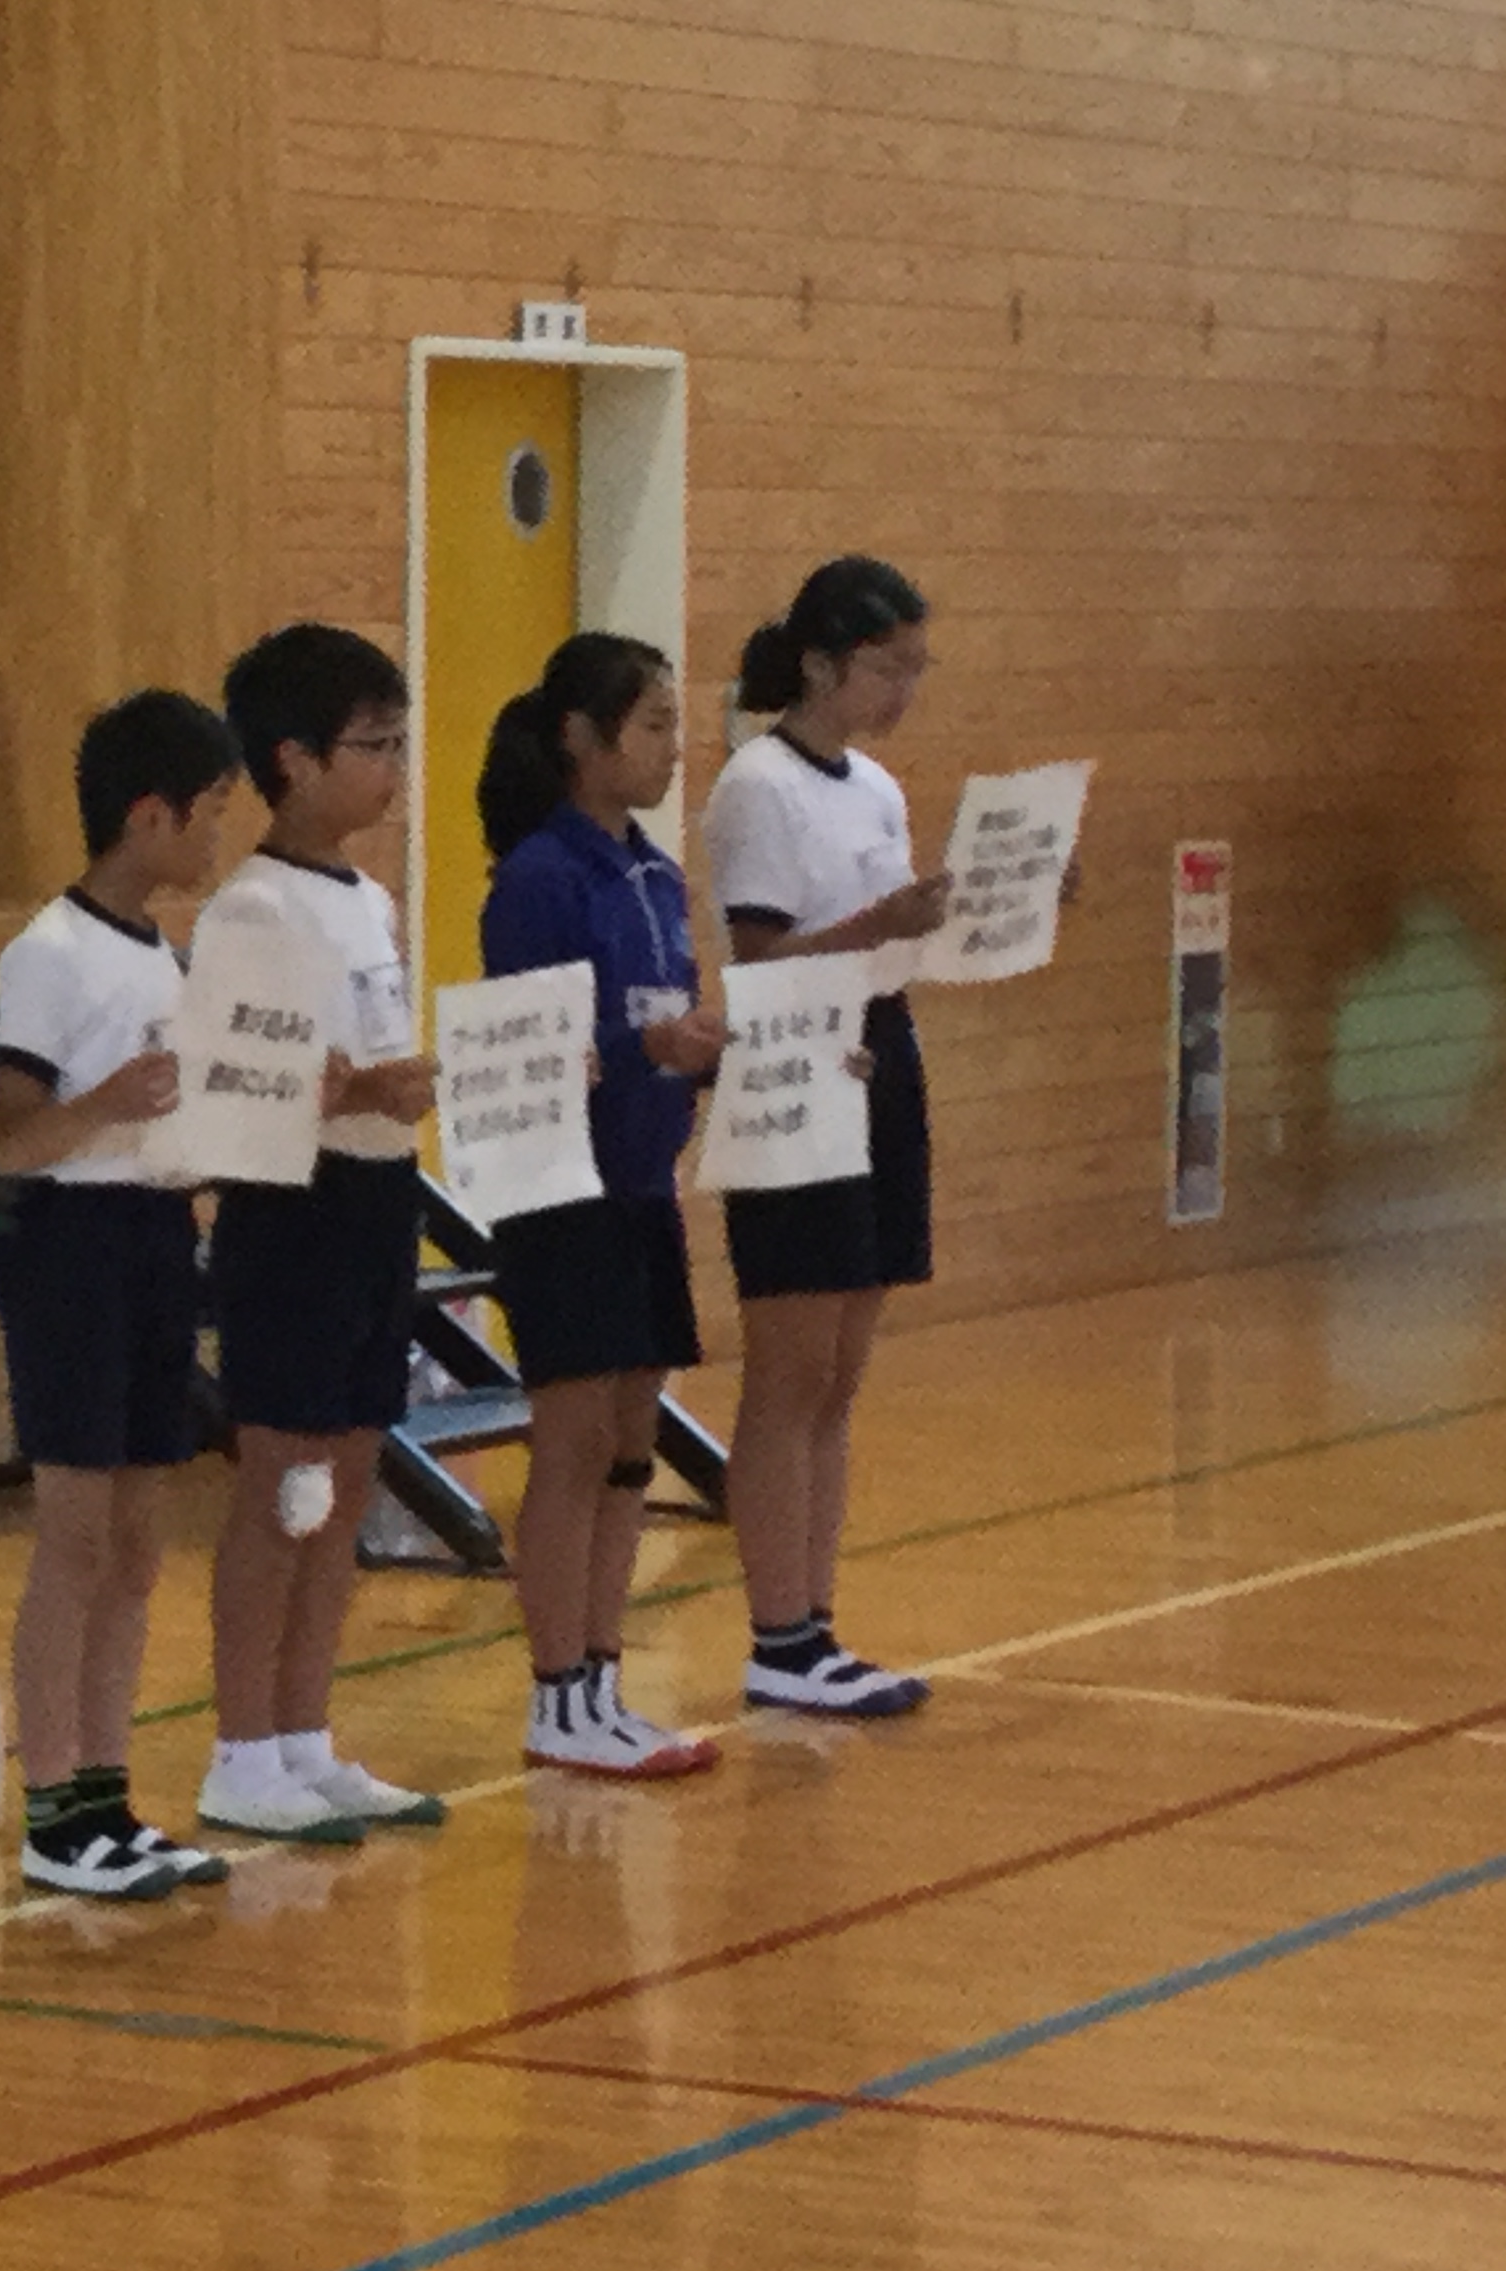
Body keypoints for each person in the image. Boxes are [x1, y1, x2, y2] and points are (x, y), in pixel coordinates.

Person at [0, 690, 238, 1898]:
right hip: (70, 1246)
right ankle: (50, 1809)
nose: (220, 834)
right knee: (77, 1534)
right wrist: (109, 1104)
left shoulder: (164, 956)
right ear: (149, 815)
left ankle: (107, 1795)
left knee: (137, 1541)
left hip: (153, 1233)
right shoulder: (49, 951)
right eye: (211, 811)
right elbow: (13, 1137)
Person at [195, 623, 447, 1843]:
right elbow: (241, 1088)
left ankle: (305, 1734)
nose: (394, 769)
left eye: (400, 743)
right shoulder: (251, 907)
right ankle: (241, 1749)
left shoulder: (369, 899)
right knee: (284, 1486)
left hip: (374, 1201)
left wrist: (401, 1086)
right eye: (373, 746)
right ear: (293, 760)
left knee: (347, 1479)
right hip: (291, 1212)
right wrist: (358, 1089)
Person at [697, 556, 954, 1717]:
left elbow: (896, 944)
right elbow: (759, 964)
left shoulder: (879, 788)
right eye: (886, 667)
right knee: (791, 1368)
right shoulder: (760, 785)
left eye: (916, 669)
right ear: (819, 664)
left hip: (879, 1052)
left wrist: (987, 909)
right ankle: (778, 1632)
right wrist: (876, 924)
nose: (903, 690)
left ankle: (817, 1625)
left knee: (844, 1369)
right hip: (796, 1067)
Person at [473, 634, 728, 1779]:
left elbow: (667, 1024)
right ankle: (554, 1692)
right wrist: (644, 1051)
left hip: (640, 1189)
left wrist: (730, 1057)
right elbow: (533, 1053)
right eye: (654, 724)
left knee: (631, 1444)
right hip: (559, 1193)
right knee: (571, 1443)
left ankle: (603, 1681)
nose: (675, 746)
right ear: (583, 737)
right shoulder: (540, 879)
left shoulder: (657, 877)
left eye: (677, 723)